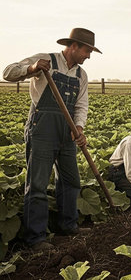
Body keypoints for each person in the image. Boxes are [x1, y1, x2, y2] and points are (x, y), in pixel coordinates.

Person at [2, 28, 101, 251]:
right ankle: (35, 238)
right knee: (37, 184)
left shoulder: (80, 75)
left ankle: (68, 225)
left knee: (71, 180)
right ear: (73, 46)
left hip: (66, 133)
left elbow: (81, 105)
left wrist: (78, 127)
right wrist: (32, 68)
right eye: (87, 51)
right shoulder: (46, 60)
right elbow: (7, 72)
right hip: (42, 129)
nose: (89, 56)